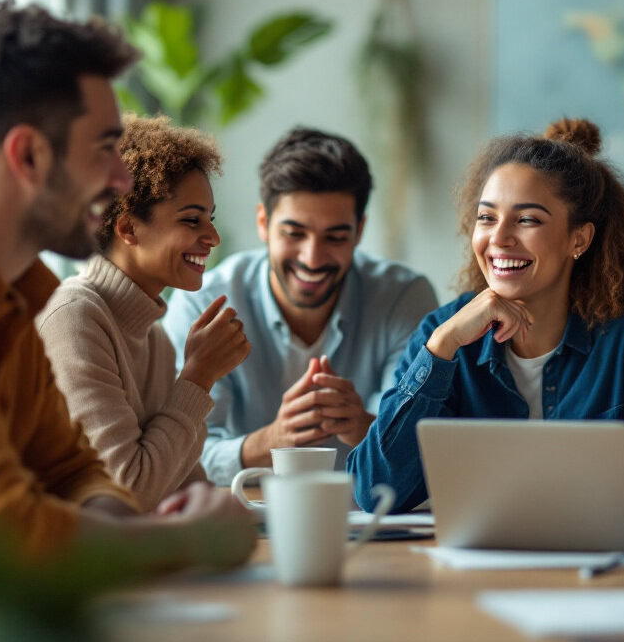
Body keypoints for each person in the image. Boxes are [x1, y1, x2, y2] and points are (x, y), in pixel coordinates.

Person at [0, 1, 255, 610]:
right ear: (28, 155)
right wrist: (181, 540)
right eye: (104, 149)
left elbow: (70, 471)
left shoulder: (16, 283)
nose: (121, 180)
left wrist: (140, 529)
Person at [347, 118, 624, 513]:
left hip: (600, 558)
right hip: (475, 565)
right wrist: (440, 350)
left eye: (527, 219)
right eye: (487, 217)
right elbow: (376, 494)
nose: (499, 238)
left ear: (578, 239)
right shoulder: (443, 335)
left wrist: (577, 502)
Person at [162, 128, 437, 485]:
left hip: (370, 522)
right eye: (294, 233)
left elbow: (426, 451)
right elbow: (176, 458)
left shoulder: (403, 298)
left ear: (359, 230)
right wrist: (272, 441)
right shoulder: (203, 301)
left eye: (335, 237)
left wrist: (367, 428)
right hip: (245, 520)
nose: (312, 258)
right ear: (263, 223)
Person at [37, 115, 250, 510]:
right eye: (192, 220)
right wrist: (198, 378)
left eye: (210, 219)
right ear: (128, 229)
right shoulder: (74, 319)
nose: (214, 237)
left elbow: (183, 487)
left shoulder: (155, 338)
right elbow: (124, 494)